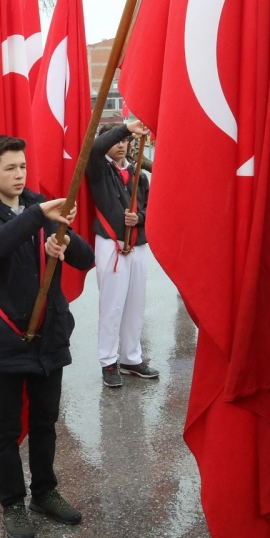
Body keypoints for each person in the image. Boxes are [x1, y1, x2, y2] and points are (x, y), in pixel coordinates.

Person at [0, 135, 94, 538]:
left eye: (22, 166)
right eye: (10, 168)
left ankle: (44, 491)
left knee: (45, 421)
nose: (20, 175)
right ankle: (12, 503)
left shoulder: (42, 202)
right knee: (6, 428)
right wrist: (38, 216)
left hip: (49, 333)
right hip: (8, 335)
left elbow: (87, 258)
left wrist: (65, 243)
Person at [87, 121, 158, 387]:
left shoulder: (139, 173)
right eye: (116, 140)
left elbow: (153, 208)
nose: (121, 145)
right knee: (112, 304)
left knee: (136, 304)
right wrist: (126, 128)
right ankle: (108, 361)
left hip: (138, 245)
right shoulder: (97, 169)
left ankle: (131, 357)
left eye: (125, 141)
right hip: (111, 244)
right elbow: (94, 149)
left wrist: (138, 218)